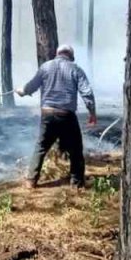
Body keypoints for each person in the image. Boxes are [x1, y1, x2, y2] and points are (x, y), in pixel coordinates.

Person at [15, 45, 97, 188]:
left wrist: (21, 91)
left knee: (41, 147)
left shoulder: (45, 67)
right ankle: (76, 184)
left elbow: (31, 87)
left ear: (57, 53)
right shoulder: (75, 69)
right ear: (71, 56)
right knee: (76, 150)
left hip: (47, 114)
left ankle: (30, 181)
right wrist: (92, 113)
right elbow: (87, 93)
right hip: (66, 116)